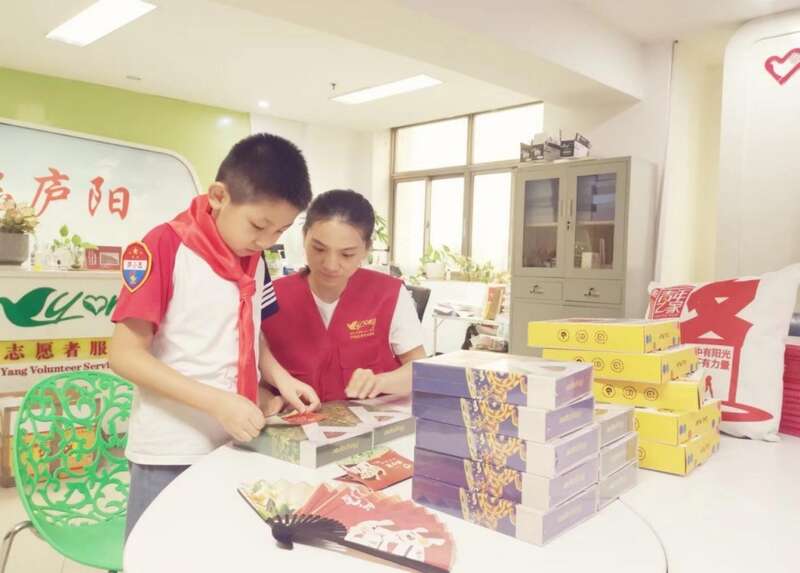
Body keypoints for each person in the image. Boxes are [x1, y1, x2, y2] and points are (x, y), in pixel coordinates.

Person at [108, 133, 321, 539]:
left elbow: (248, 331)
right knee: (158, 555)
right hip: (170, 450)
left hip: (234, 441)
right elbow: (125, 355)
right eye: (258, 225)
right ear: (219, 196)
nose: (266, 241)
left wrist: (281, 378)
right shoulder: (164, 246)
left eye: (280, 231)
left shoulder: (255, 258)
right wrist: (217, 403)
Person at [262, 189, 427, 402]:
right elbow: (253, 377)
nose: (331, 265)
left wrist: (381, 382)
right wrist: (267, 400)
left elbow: (420, 369)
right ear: (304, 236)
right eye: (319, 249)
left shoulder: (389, 293)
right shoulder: (269, 296)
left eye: (347, 254)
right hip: (297, 420)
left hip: (372, 420)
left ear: (366, 249)